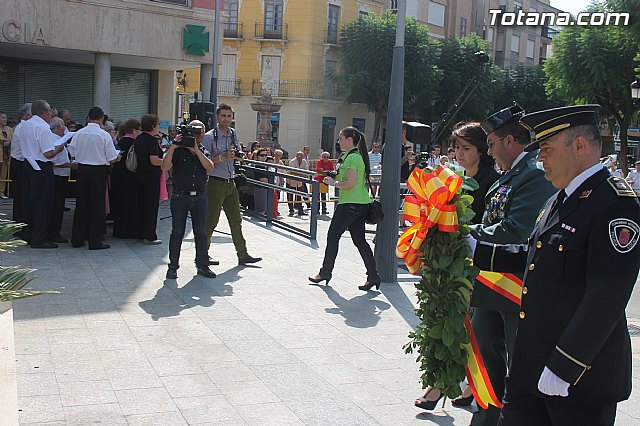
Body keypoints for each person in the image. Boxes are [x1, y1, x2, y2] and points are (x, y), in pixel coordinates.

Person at [472, 104, 640, 426]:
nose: (539, 159)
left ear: (580, 146)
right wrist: (476, 250)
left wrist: (565, 366)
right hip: (530, 366)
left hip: (579, 378)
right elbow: (534, 259)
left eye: (547, 149)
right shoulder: (557, 199)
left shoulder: (615, 203)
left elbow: (608, 293)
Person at [467, 103, 555, 425]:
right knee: (484, 352)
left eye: (490, 144)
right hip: (492, 283)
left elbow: (515, 229)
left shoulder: (531, 174)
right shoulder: (512, 174)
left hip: (514, 284)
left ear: (508, 141)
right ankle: (488, 416)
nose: (488, 152)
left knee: (518, 359)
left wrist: (466, 233)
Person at [414, 122, 500, 410]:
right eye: (456, 148)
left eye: (467, 148)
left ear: (482, 150)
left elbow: (487, 226)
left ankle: (446, 387)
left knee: (464, 325)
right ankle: (459, 387)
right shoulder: (456, 179)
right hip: (452, 263)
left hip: (477, 266)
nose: (459, 154)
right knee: (451, 321)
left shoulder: (491, 182)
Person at [309, 126, 380, 290]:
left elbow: (350, 183)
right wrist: (335, 177)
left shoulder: (353, 158)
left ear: (349, 140)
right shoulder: (351, 157)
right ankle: (373, 276)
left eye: (341, 138)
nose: (338, 141)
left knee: (333, 236)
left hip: (350, 204)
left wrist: (334, 183)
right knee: (360, 241)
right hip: (359, 204)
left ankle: (325, 272)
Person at [202, 103, 261, 266]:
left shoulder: (233, 133)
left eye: (229, 116)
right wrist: (223, 157)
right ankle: (202, 254)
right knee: (211, 221)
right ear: (217, 117)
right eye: (223, 116)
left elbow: (237, 154)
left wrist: (239, 155)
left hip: (231, 181)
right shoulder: (209, 137)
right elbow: (203, 162)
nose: (226, 119)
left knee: (236, 220)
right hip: (214, 182)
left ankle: (242, 254)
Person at [162, 120, 216, 279]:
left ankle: (202, 266)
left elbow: (210, 167)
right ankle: (172, 267)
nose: (198, 135)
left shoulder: (203, 150)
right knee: (177, 232)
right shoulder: (177, 151)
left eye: (201, 132)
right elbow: (165, 167)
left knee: (201, 233)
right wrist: (173, 146)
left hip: (199, 196)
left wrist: (196, 150)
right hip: (180, 196)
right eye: (195, 131)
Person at [68, 107, 119, 250]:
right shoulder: (103, 135)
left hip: (82, 169)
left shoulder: (79, 133)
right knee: (97, 206)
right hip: (98, 170)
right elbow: (112, 157)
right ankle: (95, 241)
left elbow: (71, 151)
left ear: (89, 118)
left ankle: (77, 238)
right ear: (102, 118)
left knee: (81, 205)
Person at [20, 100, 67, 248]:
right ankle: (39, 238)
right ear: (44, 112)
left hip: (27, 164)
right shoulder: (43, 128)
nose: (51, 115)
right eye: (50, 112)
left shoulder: (24, 125)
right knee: (43, 203)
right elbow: (48, 154)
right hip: (41, 166)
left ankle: (29, 234)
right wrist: (60, 148)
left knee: (30, 202)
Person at [134, 114, 164, 244]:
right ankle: (149, 235)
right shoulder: (151, 140)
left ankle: (140, 232)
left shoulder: (139, 138)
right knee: (151, 206)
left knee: (141, 205)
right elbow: (154, 160)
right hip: (151, 177)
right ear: (153, 126)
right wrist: (167, 162)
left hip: (139, 174)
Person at [111, 119, 141, 238]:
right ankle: (128, 230)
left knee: (119, 203)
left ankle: (118, 230)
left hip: (117, 175)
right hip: (129, 176)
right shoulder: (134, 143)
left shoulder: (120, 141)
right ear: (134, 130)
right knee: (129, 204)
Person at [48, 117, 75, 243]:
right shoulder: (55, 140)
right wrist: (73, 165)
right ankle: (53, 232)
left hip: (62, 175)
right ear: (58, 127)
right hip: (57, 176)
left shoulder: (59, 139)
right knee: (56, 206)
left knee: (58, 205)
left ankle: (54, 231)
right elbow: (56, 162)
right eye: (63, 126)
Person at [10, 103, 32, 238]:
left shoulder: (21, 127)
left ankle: (19, 226)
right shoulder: (23, 127)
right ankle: (21, 227)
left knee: (21, 197)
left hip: (19, 162)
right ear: (28, 115)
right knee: (22, 197)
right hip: (20, 163)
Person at [287, 151, 309, 216]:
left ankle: (300, 210)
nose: (300, 158)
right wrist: (300, 174)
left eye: (301, 156)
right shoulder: (292, 161)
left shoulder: (304, 161)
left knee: (299, 195)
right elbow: (291, 171)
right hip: (291, 180)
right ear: (296, 156)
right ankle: (291, 210)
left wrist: (304, 175)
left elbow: (306, 170)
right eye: (299, 156)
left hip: (299, 181)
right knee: (290, 195)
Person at [0, 111, 13, 198]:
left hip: (6, 154)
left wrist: (4, 140)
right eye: (3, 118)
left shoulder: (9, 129)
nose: (5, 119)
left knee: (4, 173)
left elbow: (11, 139)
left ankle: (1, 192)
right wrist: (5, 140)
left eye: (5, 118)